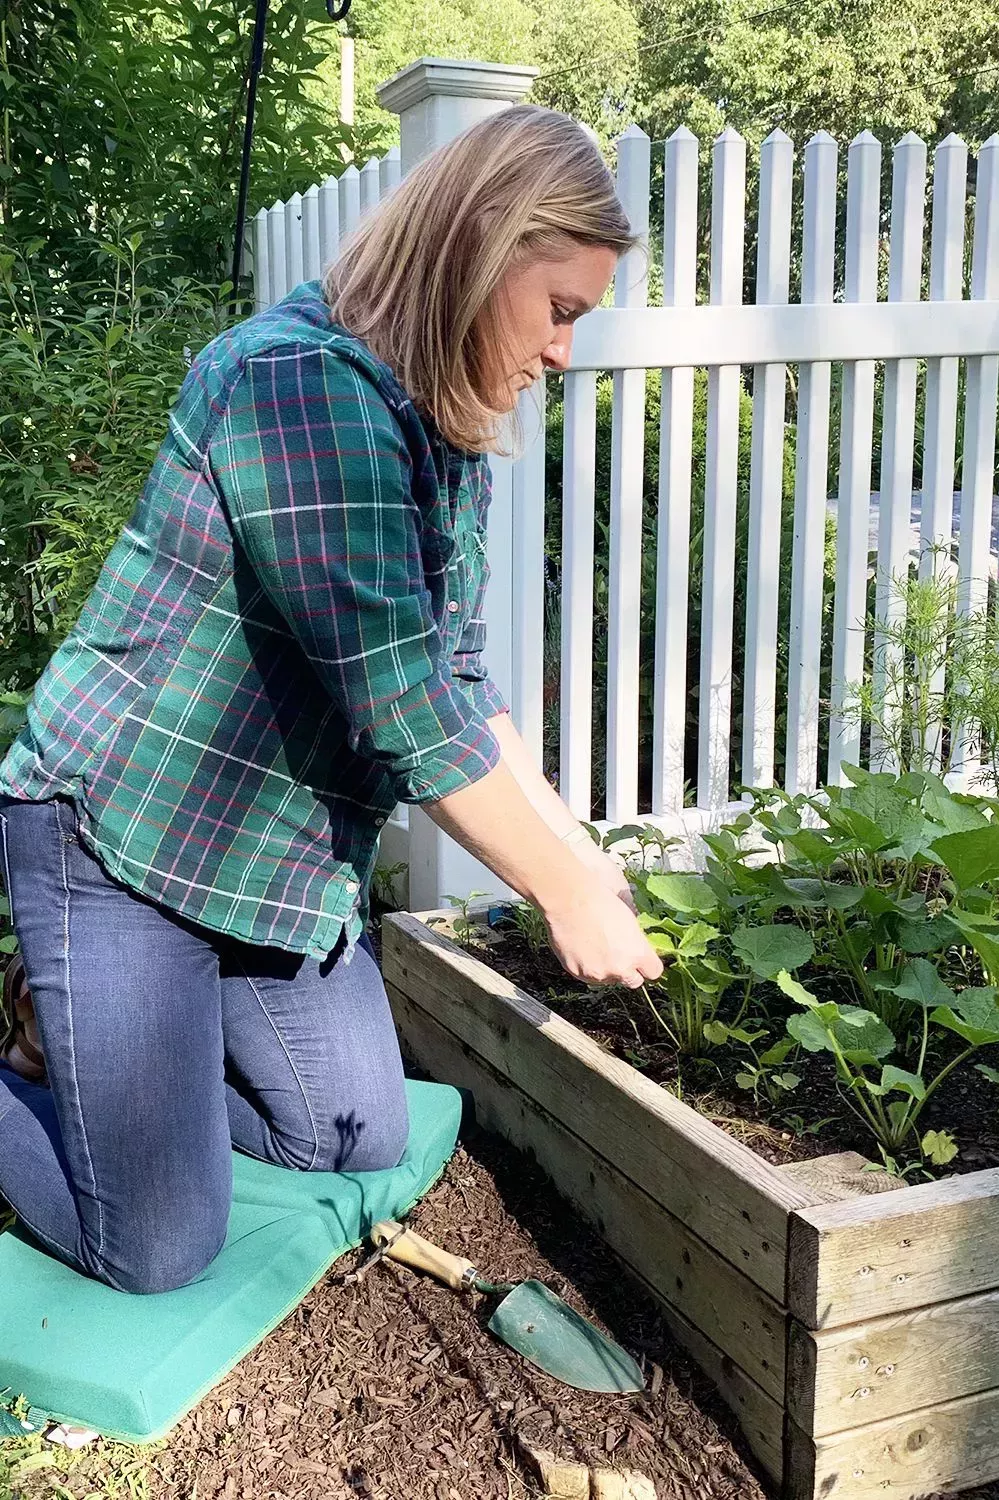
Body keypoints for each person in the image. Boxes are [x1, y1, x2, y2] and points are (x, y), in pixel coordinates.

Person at [0, 105, 663, 1295]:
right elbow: (399, 698)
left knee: (347, 1132)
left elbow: (456, 668)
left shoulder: (439, 421)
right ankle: (76, 1048)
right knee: (155, 1247)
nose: (565, 351)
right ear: (481, 249)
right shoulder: (298, 385)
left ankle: (101, 1055)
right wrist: (557, 890)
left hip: (263, 861)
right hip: (120, 837)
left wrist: (575, 847)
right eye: (560, 308)